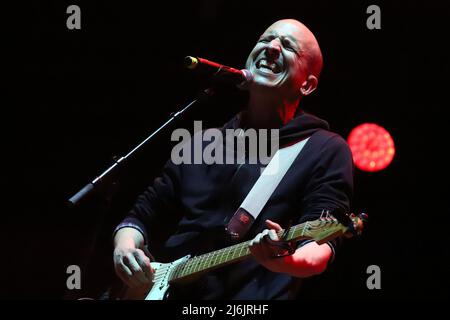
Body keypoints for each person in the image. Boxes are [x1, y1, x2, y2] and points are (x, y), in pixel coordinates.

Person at [112, 19, 354, 299]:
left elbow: (322, 244)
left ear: (308, 85)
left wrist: (283, 260)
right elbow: (142, 215)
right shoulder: (204, 140)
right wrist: (124, 247)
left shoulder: (324, 149)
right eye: (265, 40)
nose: (272, 47)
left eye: (288, 46)